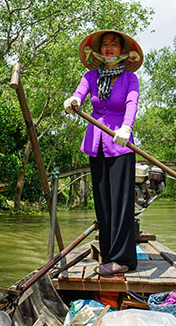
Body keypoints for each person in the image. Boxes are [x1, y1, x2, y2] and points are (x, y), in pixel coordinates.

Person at [63, 30, 143, 275]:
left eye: (114, 45)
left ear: (122, 51)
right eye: (105, 45)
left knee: (121, 203)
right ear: (99, 51)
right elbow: (79, 94)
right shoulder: (91, 76)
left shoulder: (130, 79)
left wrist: (127, 127)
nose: (109, 48)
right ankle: (108, 255)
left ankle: (123, 259)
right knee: (103, 202)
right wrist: (72, 100)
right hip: (96, 143)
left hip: (119, 143)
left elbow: (132, 103)